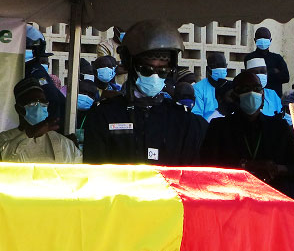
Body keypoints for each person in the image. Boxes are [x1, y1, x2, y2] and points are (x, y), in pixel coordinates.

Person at [83, 20, 207, 165]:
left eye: (162, 70)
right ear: (131, 66)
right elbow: (95, 169)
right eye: (147, 69)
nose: (154, 76)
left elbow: (190, 173)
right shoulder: (105, 115)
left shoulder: (184, 121)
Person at [200, 69, 294, 207]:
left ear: (263, 96)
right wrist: (246, 166)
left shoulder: (280, 127)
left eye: (257, 89)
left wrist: (276, 169)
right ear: (234, 96)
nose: (252, 93)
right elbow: (207, 167)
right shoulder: (219, 127)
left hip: (273, 201)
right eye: (245, 89)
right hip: (232, 200)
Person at [0, 77, 82, 163]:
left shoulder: (65, 144)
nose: (39, 107)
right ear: (18, 109)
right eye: (32, 102)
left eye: (42, 102)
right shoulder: (2, 140)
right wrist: (28, 134)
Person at [25, 26, 67, 128]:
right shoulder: (28, 69)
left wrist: (49, 123)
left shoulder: (37, 72)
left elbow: (52, 96)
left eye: (27, 48)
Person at [245, 27, 290, 97]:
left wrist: (264, 74)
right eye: (260, 38)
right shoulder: (250, 57)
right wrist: (273, 72)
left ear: (270, 40)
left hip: (274, 97)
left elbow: (286, 77)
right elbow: (250, 77)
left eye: (265, 39)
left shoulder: (277, 58)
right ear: (255, 40)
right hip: (255, 96)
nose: (263, 42)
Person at [192, 52, 229, 120]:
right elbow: (197, 116)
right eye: (216, 66)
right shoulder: (198, 89)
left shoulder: (231, 87)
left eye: (223, 66)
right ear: (208, 69)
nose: (220, 69)